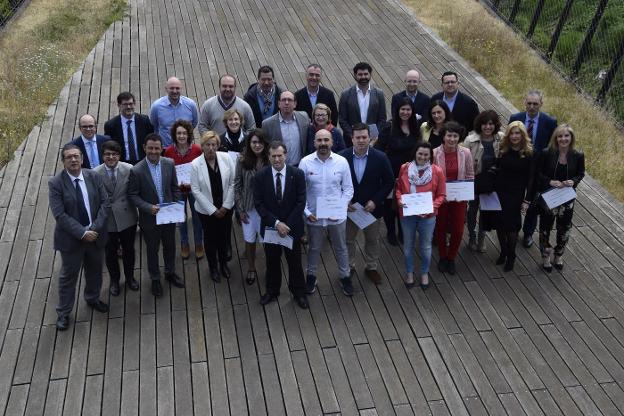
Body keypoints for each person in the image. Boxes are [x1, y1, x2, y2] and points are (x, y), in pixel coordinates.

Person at [49, 144, 110, 330]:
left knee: (95, 271)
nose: (73, 160)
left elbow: (105, 204)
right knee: (68, 278)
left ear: (82, 159)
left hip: (95, 236)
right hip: (71, 240)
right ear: (63, 161)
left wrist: (94, 229)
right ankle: (64, 313)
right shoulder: (56, 183)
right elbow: (60, 215)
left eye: (76, 156)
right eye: (69, 157)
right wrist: (82, 233)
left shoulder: (93, 176)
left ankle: (92, 299)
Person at [128, 133, 185, 297]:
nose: (153, 151)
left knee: (170, 246)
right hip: (149, 218)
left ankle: (170, 272)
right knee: (152, 250)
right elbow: (132, 195)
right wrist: (147, 207)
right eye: (150, 148)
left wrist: (176, 206)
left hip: (169, 215)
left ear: (162, 149)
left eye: (157, 148)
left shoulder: (169, 163)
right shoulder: (136, 170)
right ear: (144, 148)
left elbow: (175, 187)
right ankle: (155, 278)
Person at [299, 129, 354, 296]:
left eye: (326, 140)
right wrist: (307, 212)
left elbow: (348, 189)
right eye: (319, 140)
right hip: (313, 215)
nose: (323, 143)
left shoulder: (342, 162)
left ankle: (345, 276)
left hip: (336, 216)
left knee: (341, 247)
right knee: (314, 248)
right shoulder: (305, 162)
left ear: (332, 142)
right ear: (314, 143)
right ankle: (311, 275)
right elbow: (300, 192)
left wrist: (340, 208)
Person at [254, 141, 309, 309]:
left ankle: (299, 292)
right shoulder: (260, 176)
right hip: (271, 228)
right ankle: (272, 291)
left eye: (280, 155)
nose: (277, 159)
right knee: (272, 261)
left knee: (295, 262)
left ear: (285, 155)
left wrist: (287, 225)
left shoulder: (297, 174)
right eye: (273, 156)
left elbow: (301, 202)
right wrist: (277, 224)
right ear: (269, 157)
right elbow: (259, 204)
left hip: (292, 228)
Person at [339, 123, 394, 284]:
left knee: (372, 240)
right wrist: (344, 201)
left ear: (370, 138)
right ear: (352, 138)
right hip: (350, 209)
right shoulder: (342, 157)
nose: (361, 140)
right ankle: (349, 266)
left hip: (371, 209)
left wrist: (376, 201)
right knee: (348, 240)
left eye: (364, 137)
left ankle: (371, 267)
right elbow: (335, 183)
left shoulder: (381, 157)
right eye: (358, 137)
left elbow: (389, 182)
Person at [532, 124, 584, 272]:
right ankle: (546, 256)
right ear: (556, 138)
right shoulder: (547, 153)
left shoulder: (578, 155)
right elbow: (538, 173)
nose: (563, 139)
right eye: (560, 136)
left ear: (571, 138)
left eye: (566, 136)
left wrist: (573, 181)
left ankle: (559, 254)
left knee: (565, 228)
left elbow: (581, 173)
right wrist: (549, 181)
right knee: (545, 228)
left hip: (567, 198)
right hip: (549, 196)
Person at [509, 90, 558, 248]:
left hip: (538, 167)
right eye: (529, 103)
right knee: (516, 197)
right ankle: (514, 228)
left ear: (541, 104)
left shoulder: (549, 122)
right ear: (525, 102)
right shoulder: (515, 118)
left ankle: (528, 232)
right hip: (519, 164)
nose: (531, 107)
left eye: (535, 104)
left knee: (533, 201)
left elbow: (552, 146)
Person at [482, 121, 533, 272]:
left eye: (517, 133)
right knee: (499, 223)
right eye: (512, 133)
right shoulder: (503, 149)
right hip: (499, 191)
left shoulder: (528, 153)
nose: (514, 136)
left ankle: (511, 255)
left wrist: (527, 200)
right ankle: (503, 251)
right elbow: (497, 168)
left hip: (516, 194)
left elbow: (531, 179)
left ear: (523, 135)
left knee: (512, 226)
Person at [395, 142, 446, 289]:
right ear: (415, 154)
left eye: (426, 154)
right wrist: (399, 200)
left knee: (425, 247)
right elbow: (398, 188)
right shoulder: (404, 168)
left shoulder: (437, 171)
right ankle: (409, 272)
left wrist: (431, 208)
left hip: (428, 216)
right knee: (408, 246)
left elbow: (441, 195)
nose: (422, 157)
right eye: (420, 154)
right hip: (408, 215)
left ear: (430, 156)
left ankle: (424, 272)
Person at [93, 141, 139, 296]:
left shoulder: (129, 169)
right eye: (107, 154)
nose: (111, 157)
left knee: (129, 250)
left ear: (119, 155)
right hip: (107, 220)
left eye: (114, 154)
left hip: (127, 217)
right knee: (110, 252)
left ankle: (130, 277)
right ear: (102, 156)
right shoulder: (95, 173)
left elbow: (134, 192)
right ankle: (114, 280)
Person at [190, 131, 236, 282]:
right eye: (207, 145)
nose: (211, 148)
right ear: (202, 146)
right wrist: (212, 210)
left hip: (225, 208)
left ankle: (223, 264)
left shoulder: (226, 158)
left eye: (214, 145)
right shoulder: (196, 164)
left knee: (224, 237)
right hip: (206, 211)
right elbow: (195, 190)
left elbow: (233, 183)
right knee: (210, 240)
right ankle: (213, 267)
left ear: (218, 145)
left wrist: (226, 206)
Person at [375, 97, 421, 246]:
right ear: (397, 110)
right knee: (389, 205)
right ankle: (390, 231)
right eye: (403, 109)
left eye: (408, 109)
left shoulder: (416, 127)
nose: (405, 112)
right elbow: (378, 150)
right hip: (390, 172)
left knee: (406, 203)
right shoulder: (389, 127)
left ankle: (402, 230)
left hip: (409, 174)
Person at [433, 121, 474, 275]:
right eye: (449, 135)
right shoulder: (434, 153)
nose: (452, 139)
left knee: (458, 228)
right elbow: (432, 177)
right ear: (443, 136)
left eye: (455, 136)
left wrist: (466, 193)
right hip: (441, 198)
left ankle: (451, 257)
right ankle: (443, 256)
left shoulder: (466, 153)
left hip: (459, 198)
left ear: (459, 137)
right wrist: (438, 196)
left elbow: (470, 175)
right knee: (441, 227)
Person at [462, 110, 503, 253]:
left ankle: (481, 237)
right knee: (472, 210)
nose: (487, 127)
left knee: (486, 211)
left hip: (492, 182)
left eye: (491, 124)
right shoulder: (470, 140)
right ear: (480, 124)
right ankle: (472, 236)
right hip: (474, 181)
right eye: (485, 124)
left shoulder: (501, 139)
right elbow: (463, 161)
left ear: (495, 125)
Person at [163, 119, 203, 260]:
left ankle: (199, 243)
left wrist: (192, 184)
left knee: (197, 218)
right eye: (178, 133)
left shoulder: (198, 150)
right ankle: (184, 243)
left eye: (184, 133)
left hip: (194, 189)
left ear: (189, 134)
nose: (181, 136)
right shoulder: (168, 151)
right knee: (181, 219)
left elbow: (201, 171)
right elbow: (167, 172)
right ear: (175, 134)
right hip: (177, 190)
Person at [234, 129, 270, 285]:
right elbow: (237, 185)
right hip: (248, 209)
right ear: (249, 143)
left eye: (260, 142)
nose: (257, 145)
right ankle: (251, 267)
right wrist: (240, 210)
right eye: (254, 142)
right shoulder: (242, 160)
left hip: (266, 209)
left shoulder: (270, 159)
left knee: (267, 240)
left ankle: (270, 268)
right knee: (249, 240)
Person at [338, 62, 387, 146]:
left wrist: (373, 137)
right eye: (360, 74)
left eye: (366, 74)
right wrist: (353, 136)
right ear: (355, 75)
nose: (363, 77)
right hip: (351, 142)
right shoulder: (346, 94)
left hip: (373, 142)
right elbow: (342, 119)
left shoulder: (379, 94)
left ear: (370, 75)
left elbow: (382, 118)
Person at [261, 91, 310, 166]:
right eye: (283, 100)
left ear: (295, 104)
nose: (286, 103)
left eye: (290, 100)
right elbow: (265, 148)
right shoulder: (267, 124)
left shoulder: (304, 117)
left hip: (300, 166)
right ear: (279, 104)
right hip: (279, 167)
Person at [104, 91, 154, 164]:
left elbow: (151, 139)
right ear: (119, 105)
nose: (128, 107)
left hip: (143, 162)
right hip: (122, 163)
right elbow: (109, 146)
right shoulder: (111, 125)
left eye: (131, 104)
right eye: (125, 104)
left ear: (135, 104)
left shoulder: (144, 121)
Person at [149, 76, 199, 147]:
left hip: (186, 148)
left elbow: (194, 123)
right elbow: (154, 125)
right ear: (166, 89)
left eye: (177, 88)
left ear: (181, 89)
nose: (175, 91)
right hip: (165, 148)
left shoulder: (191, 105)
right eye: (171, 88)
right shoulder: (156, 106)